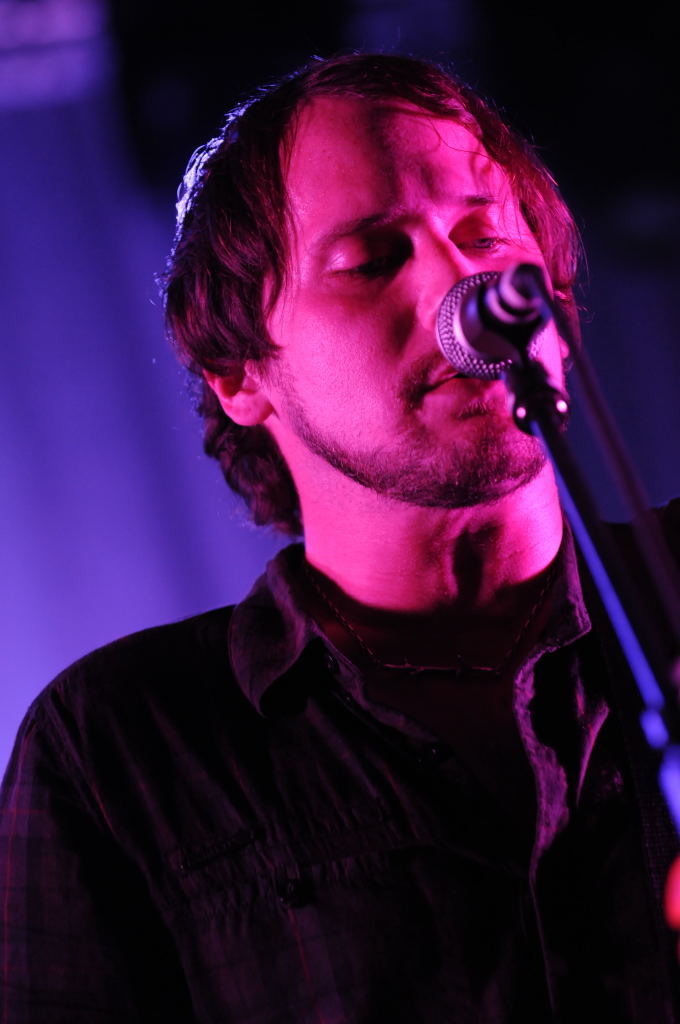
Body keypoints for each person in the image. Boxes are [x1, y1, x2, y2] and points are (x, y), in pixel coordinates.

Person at [1, 52, 679, 1023]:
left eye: (485, 236)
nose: (462, 286)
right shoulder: (118, 746)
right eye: (372, 260)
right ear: (240, 375)